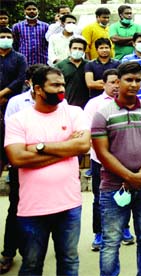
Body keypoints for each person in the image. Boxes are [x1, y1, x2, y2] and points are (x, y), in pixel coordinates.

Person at [5, 66, 90, 275]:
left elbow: (82, 146)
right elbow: (17, 158)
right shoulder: (18, 119)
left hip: (69, 206)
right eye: (55, 85)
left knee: (69, 262)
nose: (61, 89)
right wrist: (65, 148)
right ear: (38, 89)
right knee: (32, 265)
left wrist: (40, 147)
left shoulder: (74, 113)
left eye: (62, 84)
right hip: (33, 209)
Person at [91, 62, 141, 276]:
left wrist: (140, 176)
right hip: (114, 188)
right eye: (128, 80)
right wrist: (129, 177)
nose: (134, 84)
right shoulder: (103, 114)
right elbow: (102, 153)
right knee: (111, 241)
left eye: (138, 80)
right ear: (117, 82)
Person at [0, 64, 40, 274]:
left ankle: (33, 253)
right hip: (22, 163)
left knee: (44, 212)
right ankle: (8, 253)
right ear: (29, 83)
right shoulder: (16, 102)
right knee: (15, 208)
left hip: (45, 165)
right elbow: (12, 135)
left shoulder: (59, 101)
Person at [83, 69, 119, 251]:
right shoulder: (94, 104)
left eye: (119, 82)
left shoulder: (128, 102)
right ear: (104, 84)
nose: (116, 86)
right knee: (100, 197)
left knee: (124, 196)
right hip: (100, 159)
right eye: (112, 82)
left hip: (123, 160)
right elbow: (88, 131)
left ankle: (124, 229)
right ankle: (99, 232)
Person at [54, 37, 90, 108]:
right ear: (70, 49)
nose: (77, 50)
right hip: (66, 104)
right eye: (75, 48)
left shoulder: (89, 65)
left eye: (80, 49)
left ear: (84, 51)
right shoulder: (60, 65)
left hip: (86, 105)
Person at [12, 1, 49, 66]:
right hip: (24, 61)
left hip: (42, 61)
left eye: (34, 9)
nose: (32, 11)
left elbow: (48, 43)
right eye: (29, 9)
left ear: (38, 11)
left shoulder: (46, 26)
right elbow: (15, 44)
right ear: (24, 11)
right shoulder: (17, 26)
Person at [0, 27, 28, 106]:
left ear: (13, 39)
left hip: (12, 98)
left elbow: (20, 78)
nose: (6, 39)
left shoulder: (20, 58)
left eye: (9, 37)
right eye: (2, 37)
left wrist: (2, 94)